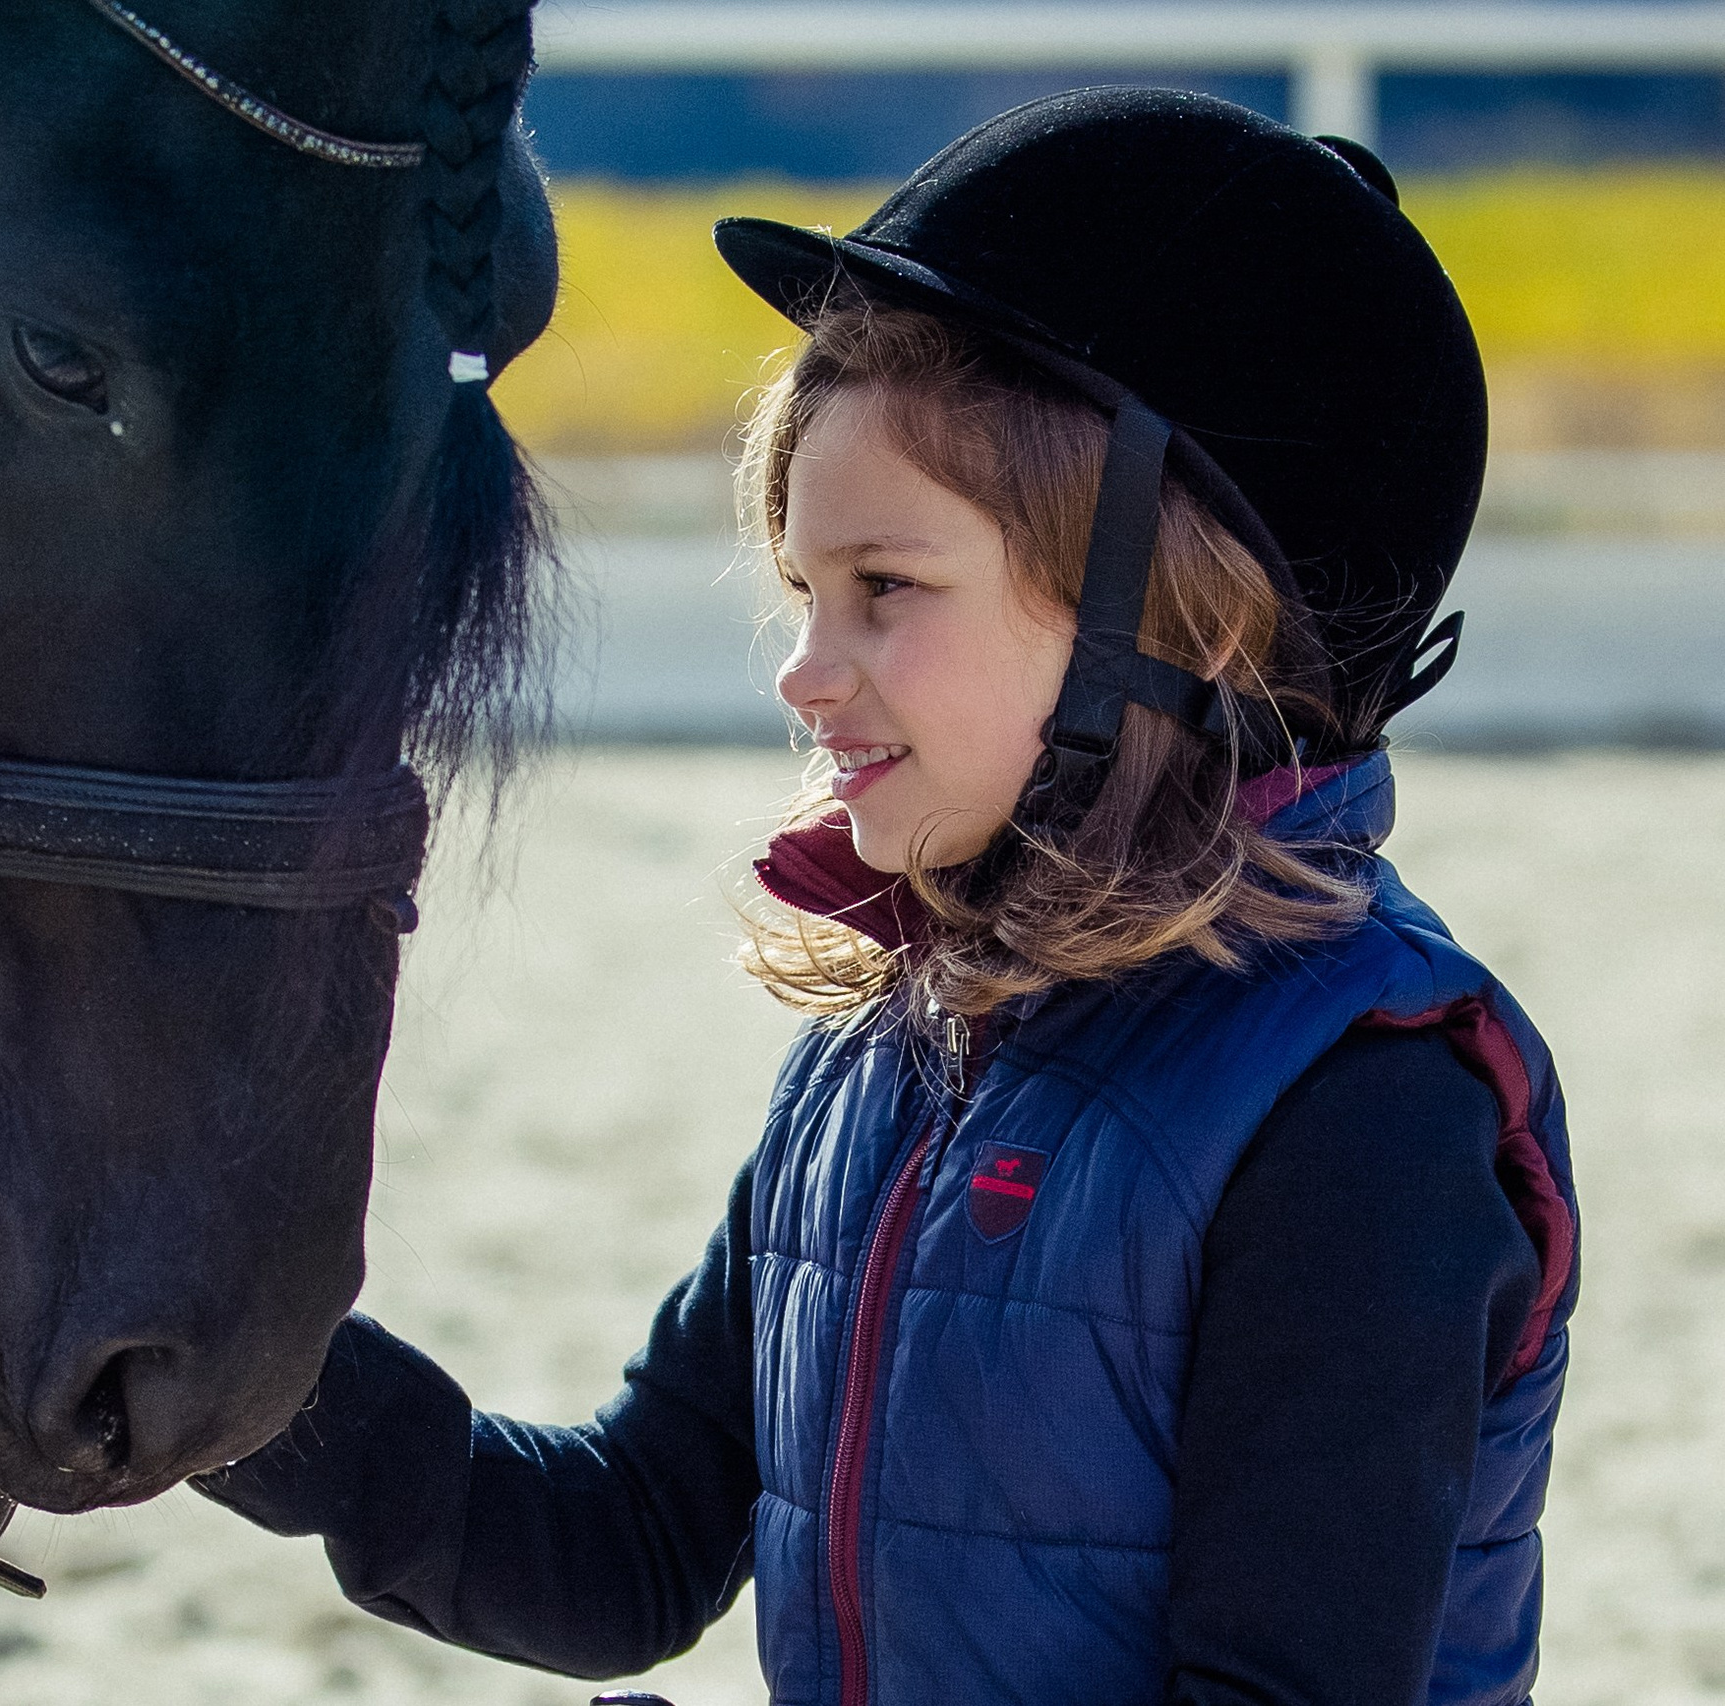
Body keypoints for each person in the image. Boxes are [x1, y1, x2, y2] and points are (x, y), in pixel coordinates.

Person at [198, 88, 1578, 1706]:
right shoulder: (895, 1055)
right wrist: (226, 1358)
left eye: (885, 591)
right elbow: (627, 1539)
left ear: (1180, 629)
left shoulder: (1363, 1113)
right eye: (801, 591)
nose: (804, 670)